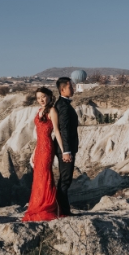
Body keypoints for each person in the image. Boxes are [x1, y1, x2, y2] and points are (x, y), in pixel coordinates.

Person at [21, 87, 66, 222]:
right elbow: (38, 135)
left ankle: (48, 205)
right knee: (38, 175)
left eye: (43, 97)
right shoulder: (39, 111)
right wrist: (34, 152)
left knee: (45, 174)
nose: (41, 100)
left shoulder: (52, 110)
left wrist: (64, 151)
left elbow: (57, 132)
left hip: (47, 147)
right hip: (39, 147)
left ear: (49, 96)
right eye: (38, 98)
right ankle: (37, 204)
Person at [53, 76, 80, 216]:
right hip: (64, 149)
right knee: (65, 180)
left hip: (65, 148)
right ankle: (62, 211)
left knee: (65, 180)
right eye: (70, 87)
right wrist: (66, 151)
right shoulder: (63, 106)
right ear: (62, 89)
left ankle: (62, 210)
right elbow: (63, 129)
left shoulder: (64, 104)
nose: (73, 89)